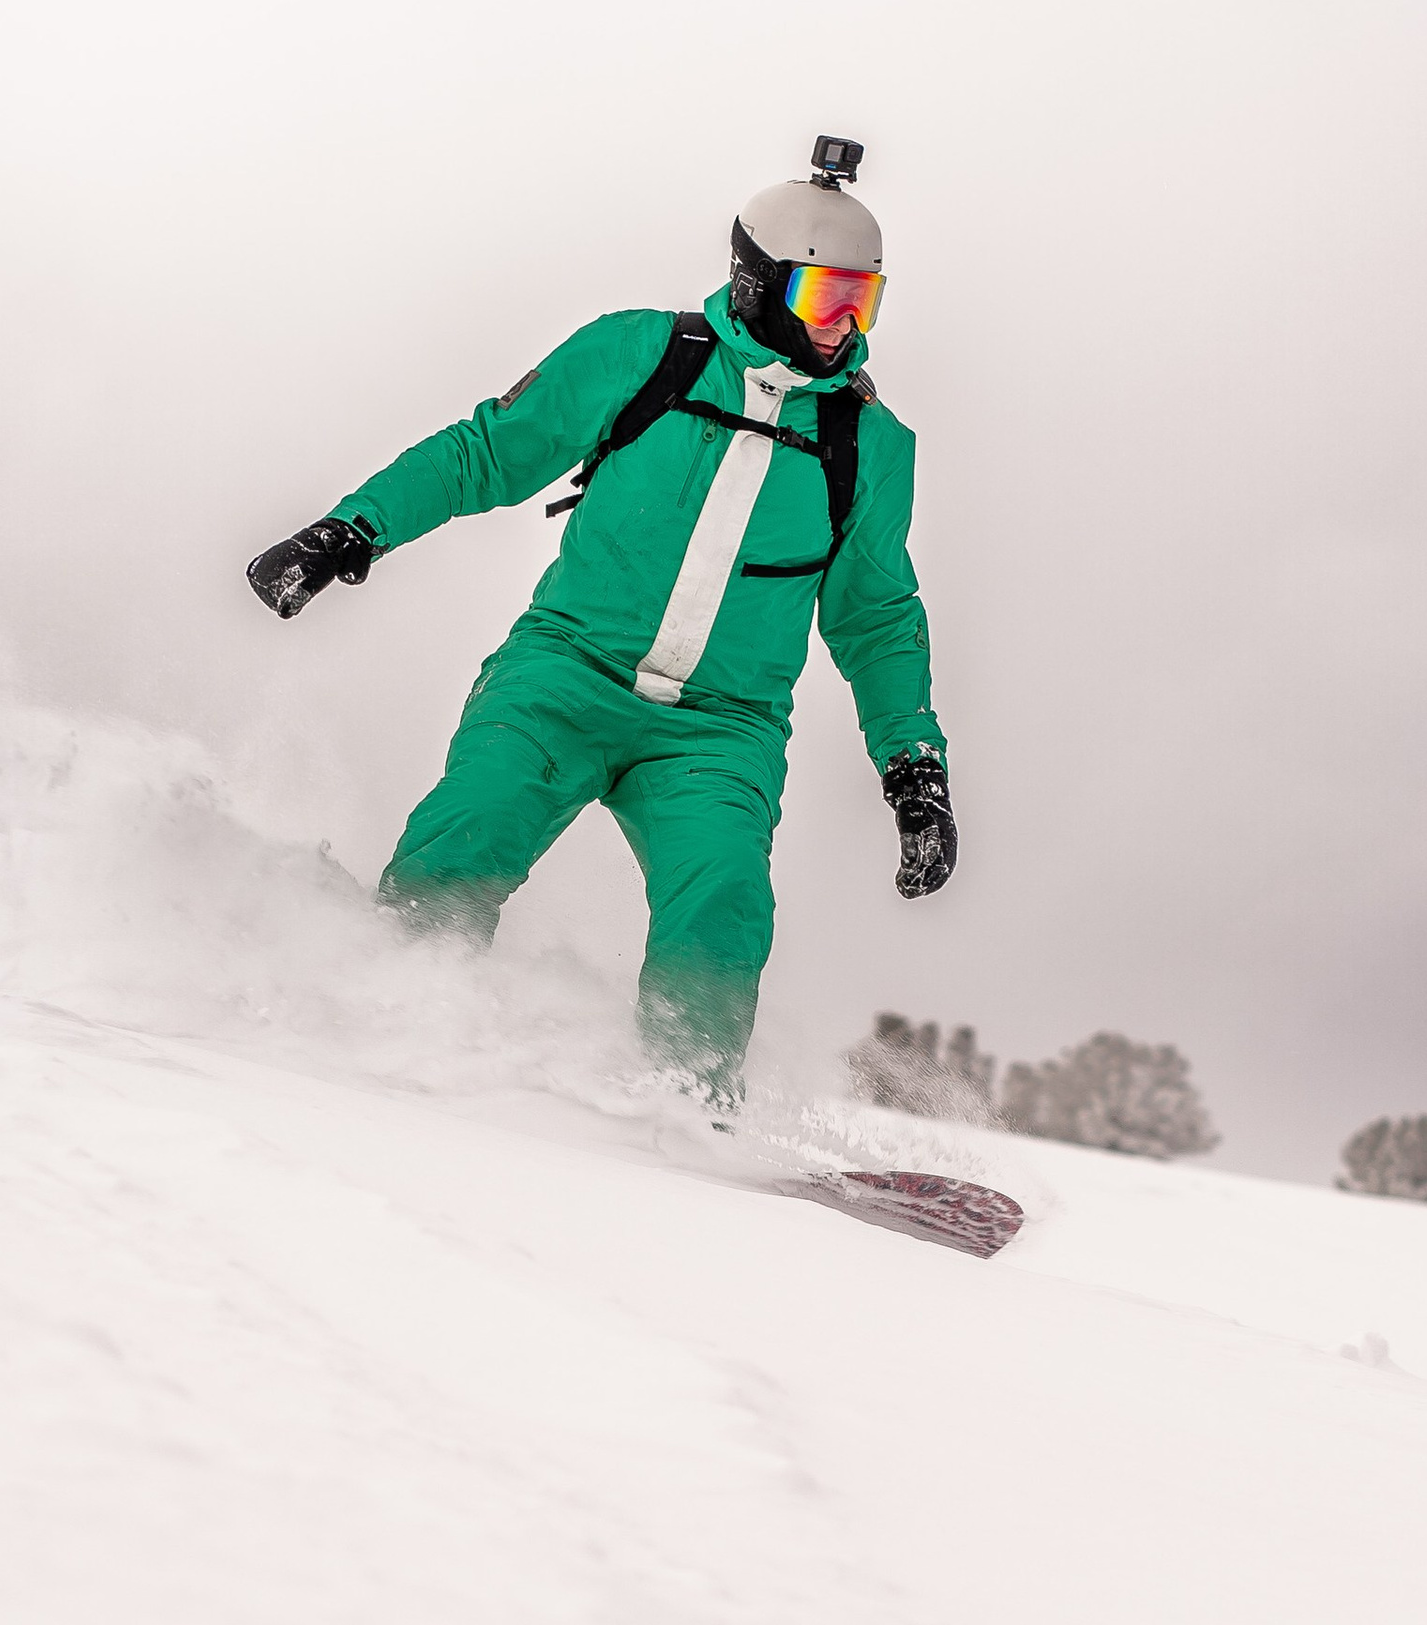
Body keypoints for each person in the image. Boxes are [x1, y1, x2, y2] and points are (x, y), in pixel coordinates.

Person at [246, 137, 953, 1097]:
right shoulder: (641, 355)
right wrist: (346, 533)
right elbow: (484, 453)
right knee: (473, 823)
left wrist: (915, 770)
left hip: (718, 731)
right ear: (756, 284)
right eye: (823, 297)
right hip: (565, 676)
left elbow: (874, 618)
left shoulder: (867, 444)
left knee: (723, 904)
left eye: (861, 303)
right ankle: (371, 1019)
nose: (841, 328)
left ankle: (685, 1109)